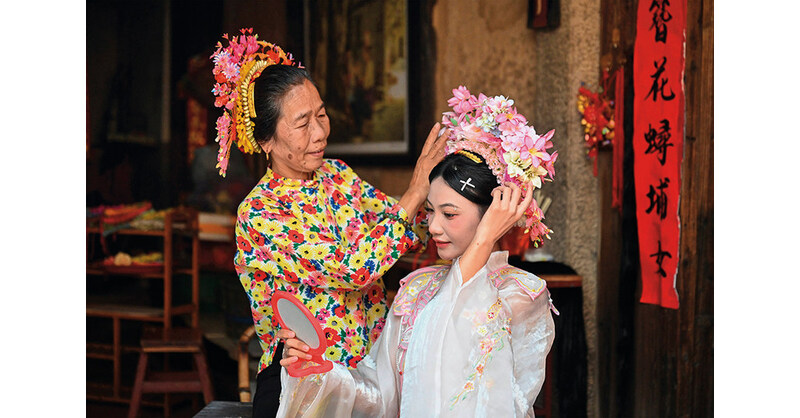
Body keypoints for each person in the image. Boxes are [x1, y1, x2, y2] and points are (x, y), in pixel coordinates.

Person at [277, 86, 560, 417]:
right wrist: (320, 372)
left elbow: (482, 392)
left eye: (449, 214)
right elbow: (379, 397)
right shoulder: (416, 288)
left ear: (494, 212)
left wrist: (484, 242)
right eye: (429, 211)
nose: (434, 227)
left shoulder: (520, 294)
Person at [209, 29, 447, 417]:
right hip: (306, 382)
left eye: (321, 114)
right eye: (303, 123)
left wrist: (456, 195)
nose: (320, 132)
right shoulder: (261, 212)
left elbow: (409, 230)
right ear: (266, 141)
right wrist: (415, 192)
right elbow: (353, 267)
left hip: (373, 373)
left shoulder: (337, 174)